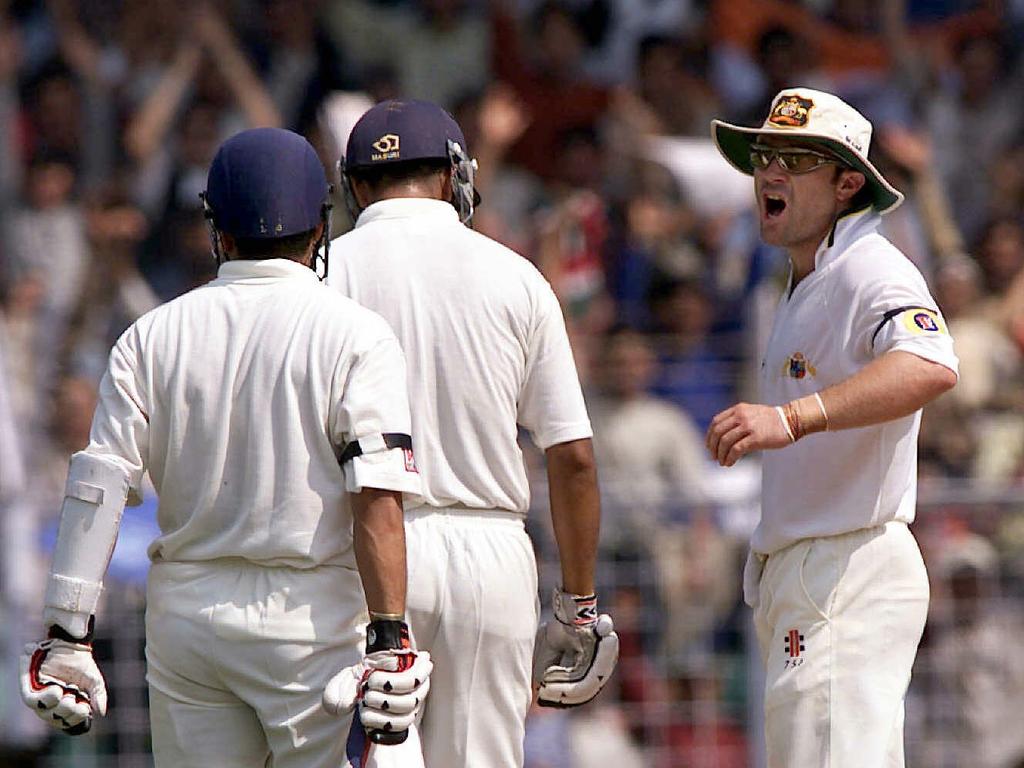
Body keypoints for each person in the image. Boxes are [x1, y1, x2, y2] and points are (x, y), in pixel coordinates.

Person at [19, 127, 431, 768]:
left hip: (189, 616)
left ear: (220, 231)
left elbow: (99, 484)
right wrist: (390, 637)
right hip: (310, 619)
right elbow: (376, 493)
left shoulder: (152, 334)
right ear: (319, 228)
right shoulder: (356, 335)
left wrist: (65, 633)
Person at [330, 99, 619, 768]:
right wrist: (577, 604)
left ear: (354, 184)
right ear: (453, 174)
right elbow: (571, 455)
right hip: (487, 554)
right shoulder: (516, 276)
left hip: (361, 551)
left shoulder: (324, 273)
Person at [704, 88, 959, 766]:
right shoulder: (799, 283)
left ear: (848, 184)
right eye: (764, 157)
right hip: (816, 567)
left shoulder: (868, 267)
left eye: (794, 159)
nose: (769, 174)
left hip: (845, 564)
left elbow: (932, 364)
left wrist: (793, 418)